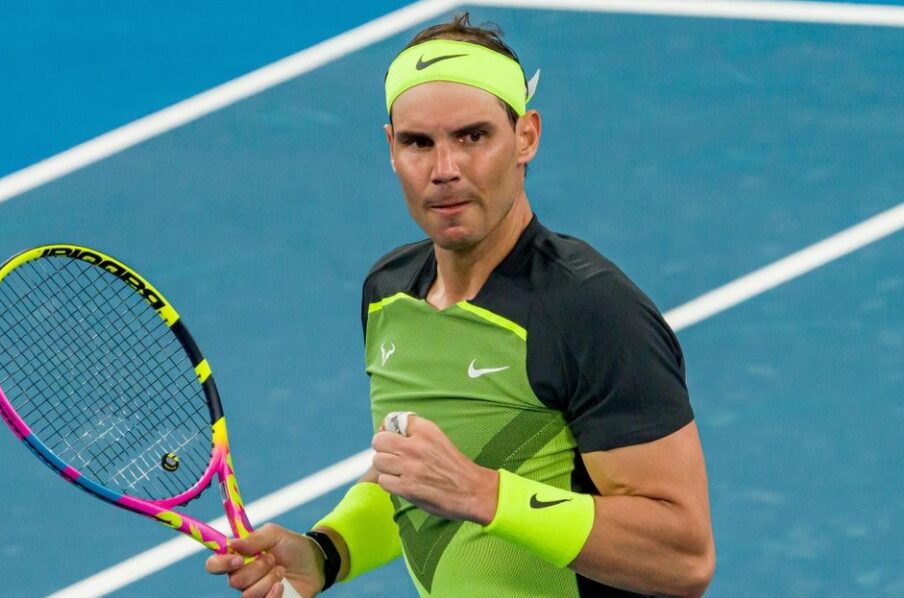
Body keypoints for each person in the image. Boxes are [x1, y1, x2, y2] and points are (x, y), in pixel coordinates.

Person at [207, 13, 715, 597]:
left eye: (472, 137)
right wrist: (326, 552)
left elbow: (684, 557)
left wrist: (483, 493)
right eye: (418, 143)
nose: (444, 170)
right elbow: (416, 481)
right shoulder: (389, 294)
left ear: (525, 137)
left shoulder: (591, 312)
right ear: (391, 148)